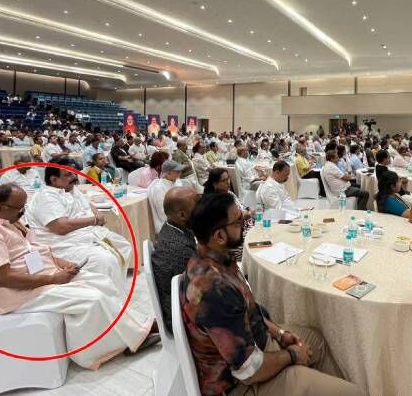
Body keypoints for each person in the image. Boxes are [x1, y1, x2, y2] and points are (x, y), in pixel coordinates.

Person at [180, 193, 361, 396]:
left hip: (257, 344)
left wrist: (279, 333)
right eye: (238, 221)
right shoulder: (214, 289)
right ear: (219, 236)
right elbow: (248, 369)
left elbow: (249, 310)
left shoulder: (216, 257)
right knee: (353, 393)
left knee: (316, 340)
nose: (246, 221)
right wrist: (292, 355)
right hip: (239, 383)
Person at [0, 184, 157, 369]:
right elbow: (4, 278)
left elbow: (34, 252)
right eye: (20, 209)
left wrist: (62, 264)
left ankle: (137, 328)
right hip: (21, 294)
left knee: (101, 282)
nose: (23, 213)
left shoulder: (9, 223)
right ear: (0, 207)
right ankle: (101, 350)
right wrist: (53, 279)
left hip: (42, 275)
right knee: (93, 298)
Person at [25, 158, 132, 294]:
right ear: (54, 179)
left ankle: (117, 291)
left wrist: (97, 213)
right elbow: (60, 227)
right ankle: (106, 297)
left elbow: (86, 204)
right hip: (64, 244)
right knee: (105, 261)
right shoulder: (46, 197)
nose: (74, 177)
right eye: (68, 175)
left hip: (84, 235)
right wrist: (94, 220)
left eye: (74, 173)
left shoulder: (69, 189)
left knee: (123, 245)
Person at [151, 186, 198, 334]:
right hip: (184, 321)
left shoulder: (172, 226)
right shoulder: (180, 250)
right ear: (182, 215)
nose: (203, 208)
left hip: (181, 306)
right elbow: (198, 295)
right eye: (198, 204)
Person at [147, 160, 185, 233]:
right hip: (168, 226)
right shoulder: (159, 188)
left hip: (180, 218)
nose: (180, 173)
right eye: (177, 171)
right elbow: (163, 213)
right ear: (168, 173)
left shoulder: (177, 182)